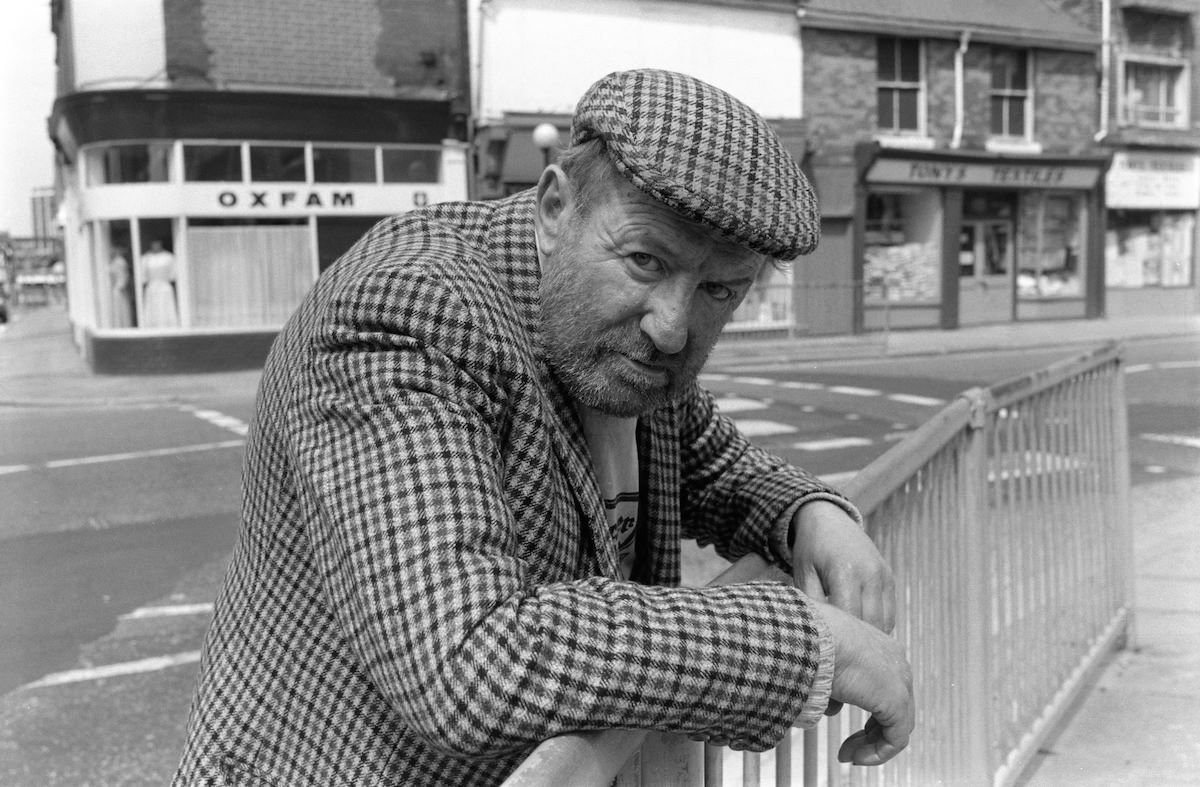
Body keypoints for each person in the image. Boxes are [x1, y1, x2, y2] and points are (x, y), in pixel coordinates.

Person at [174, 69, 913, 786]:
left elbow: (709, 463)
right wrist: (807, 645)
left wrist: (808, 513)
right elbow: (466, 659)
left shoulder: (619, 342)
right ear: (555, 207)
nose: (672, 326)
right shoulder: (405, 312)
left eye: (721, 288)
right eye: (645, 259)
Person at [139, 239, 179, 328]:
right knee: (153, 307)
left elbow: (173, 275)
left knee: (165, 306)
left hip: (164, 286)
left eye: (158, 244)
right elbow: (142, 276)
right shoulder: (145, 258)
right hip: (152, 287)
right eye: (154, 244)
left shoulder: (169, 257)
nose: (155, 246)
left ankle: (168, 326)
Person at [108, 248, 134, 328]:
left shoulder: (120, 261)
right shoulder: (113, 261)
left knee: (120, 306)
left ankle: (121, 324)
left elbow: (124, 275)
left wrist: (120, 285)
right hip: (115, 287)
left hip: (118, 288)